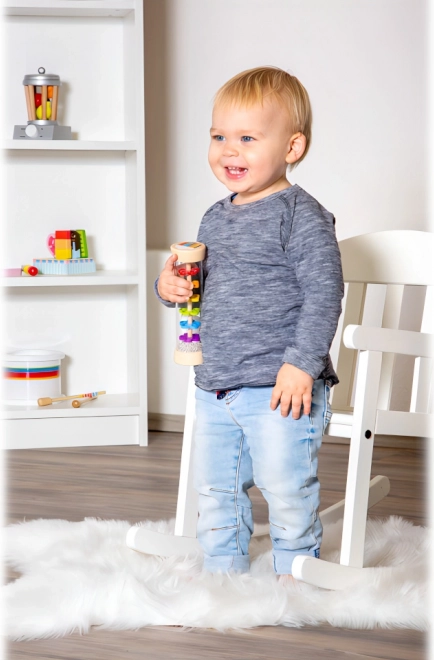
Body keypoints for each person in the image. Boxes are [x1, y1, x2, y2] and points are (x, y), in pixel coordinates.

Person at [155, 66, 344, 580]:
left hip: (280, 385)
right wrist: (169, 287)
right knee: (216, 487)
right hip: (216, 382)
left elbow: (324, 294)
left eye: (247, 138)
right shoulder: (215, 216)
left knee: (286, 486)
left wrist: (301, 365)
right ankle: (223, 572)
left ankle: (295, 571)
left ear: (292, 146)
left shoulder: (300, 215)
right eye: (218, 136)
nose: (228, 150)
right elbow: (198, 287)